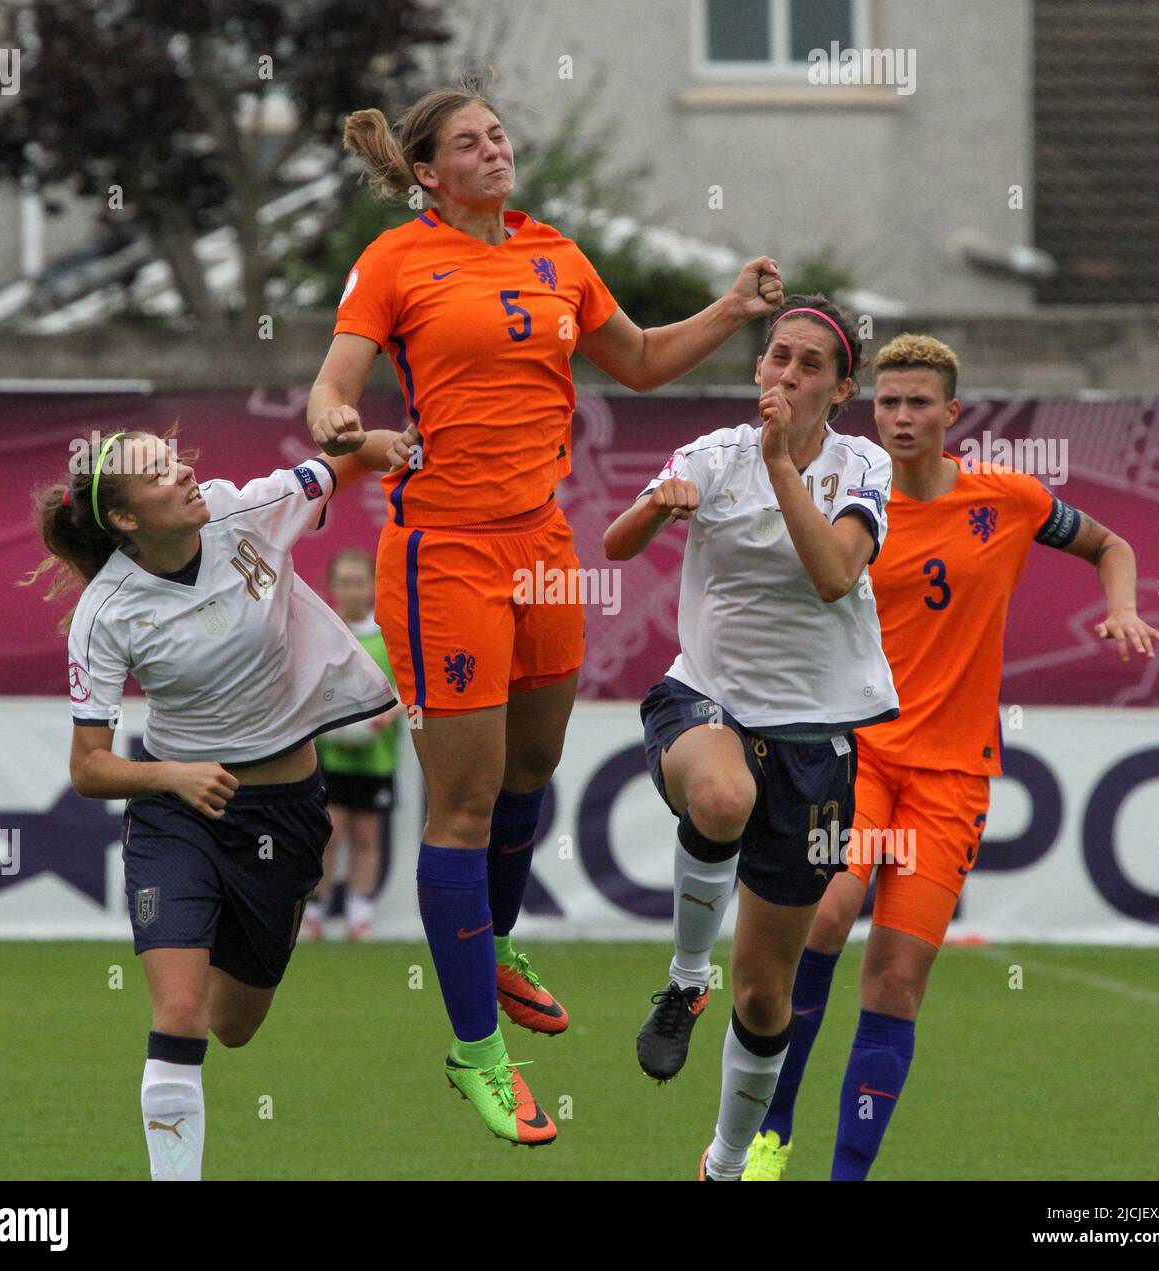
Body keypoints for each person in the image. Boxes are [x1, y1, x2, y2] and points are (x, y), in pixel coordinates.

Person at [307, 78, 784, 1147]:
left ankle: (496, 936)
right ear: (427, 172)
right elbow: (329, 391)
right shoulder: (397, 259)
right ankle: (476, 1049)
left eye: (498, 134)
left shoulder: (555, 251)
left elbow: (644, 359)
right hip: (444, 557)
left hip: (543, 546)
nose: (493, 149)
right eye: (469, 142)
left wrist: (733, 307)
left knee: (533, 771)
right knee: (462, 810)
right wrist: (341, 421)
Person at [745, 333, 1159, 1181]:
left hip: (952, 774)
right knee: (824, 917)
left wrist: (1120, 606)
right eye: (889, 402)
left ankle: (846, 1176)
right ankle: (770, 1128)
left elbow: (1109, 544)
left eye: (918, 403)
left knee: (897, 980)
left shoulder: (1006, 499)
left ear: (951, 414)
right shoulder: (850, 497)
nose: (901, 417)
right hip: (855, 752)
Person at [25, 423, 409, 1180]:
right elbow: (90, 767)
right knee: (177, 1015)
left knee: (233, 1026)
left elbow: (349, 459)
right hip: (179, 815)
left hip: (286, 811)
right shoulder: (107, 612)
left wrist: (391, 444)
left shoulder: (250, 510)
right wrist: (173, 776)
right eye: (161, 474)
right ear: (128, 519)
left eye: (176, 460)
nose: (186, 473)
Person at [603, 295, 898, 1181]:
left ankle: (725, 1164)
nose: (785, 375)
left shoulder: (862, 465)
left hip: (814, 741)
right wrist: (660, 506)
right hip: (706, 700)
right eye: (776, 357)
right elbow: (616, 543)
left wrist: (777, 465)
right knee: (724, 796)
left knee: (769, 992)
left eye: (810, 365)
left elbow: (834, 572)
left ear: (840, 387)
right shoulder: (713, 452)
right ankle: (689, 978)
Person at [306, 547, 404, 941]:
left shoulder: (388, 636)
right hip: (329, 754)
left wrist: (387, 717)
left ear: (373, 588)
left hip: (376, 756)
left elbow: (407, 691)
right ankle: (317, 906)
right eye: (344, 582)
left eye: (359, 582)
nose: (351, 590)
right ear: (332, 587)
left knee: (366, 835)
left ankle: (360, 910)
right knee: (328, 831)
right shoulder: (324, 632)